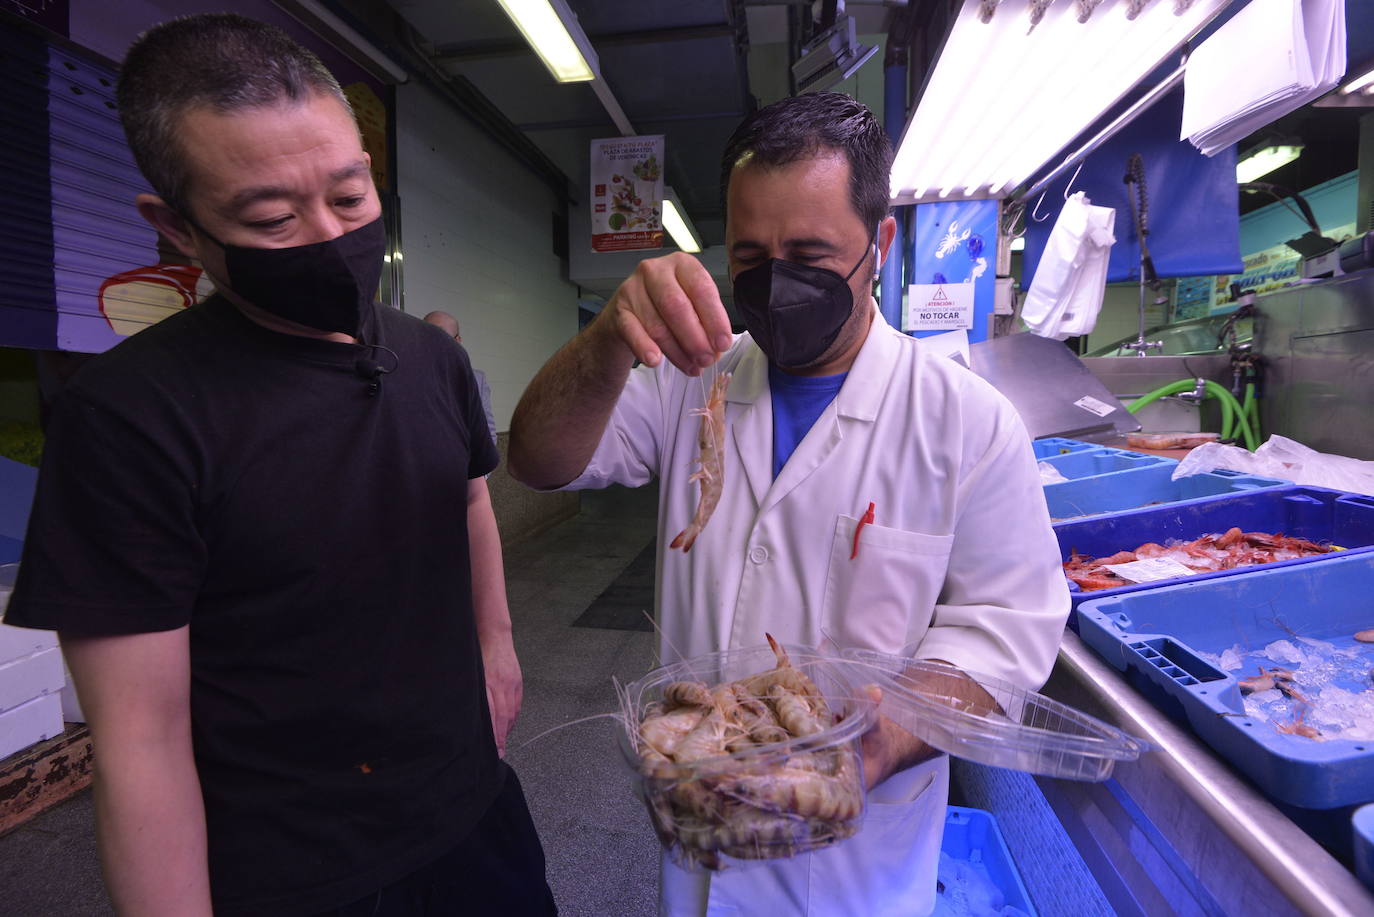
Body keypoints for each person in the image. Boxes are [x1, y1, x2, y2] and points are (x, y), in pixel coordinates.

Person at [5, 14, 555, 917]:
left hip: (473, 812)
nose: (330, 235)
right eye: (270, 216)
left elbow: (466, 503)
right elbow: (139, 742)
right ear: (176, 230)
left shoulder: (432, 358)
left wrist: (496, 644)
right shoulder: (129, 418)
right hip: (292, 866)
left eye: (350, 196)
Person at [508, 92, 1069, 916]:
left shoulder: (964, 421)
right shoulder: (691, 380)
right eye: (752, 256)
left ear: (878, 243)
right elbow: (537, 458)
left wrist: (877, 745)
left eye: (810, 252)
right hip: (701, 843)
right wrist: (604, 341)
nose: (778, 283)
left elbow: (1009, 629)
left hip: (856, 868)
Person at [425, 311, 498, 446]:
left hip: (465, 463)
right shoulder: (408, 375)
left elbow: (487, 430)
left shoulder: (477, 380)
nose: (433, 344)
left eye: (441, 337)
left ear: (457, 341)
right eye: (427, 337)